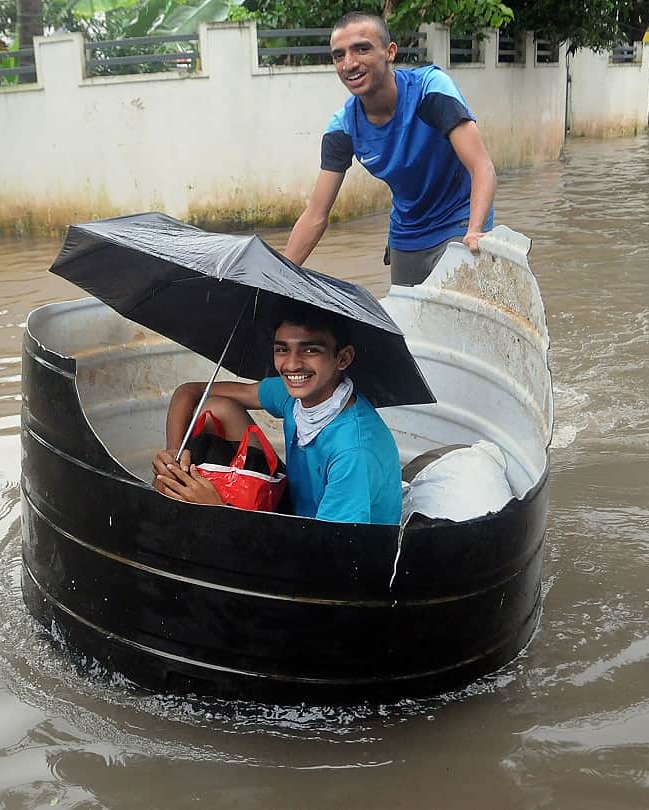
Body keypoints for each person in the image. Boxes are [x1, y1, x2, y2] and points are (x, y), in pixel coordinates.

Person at [283, 11, 496, 287]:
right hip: (407, 232)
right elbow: (316, 215)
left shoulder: (430, 91)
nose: (350, 63)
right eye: (339, 55)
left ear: (390, 52)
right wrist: (278, 277)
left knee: (462, 312)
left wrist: (476, 230)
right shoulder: (343, 128)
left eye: (362, 49)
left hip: (461, 220)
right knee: (409, 324)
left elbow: (482, 167)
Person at [151, 302, 402, 525]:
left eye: (310, 350)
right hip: (293, 506)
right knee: (213, 408)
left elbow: (331, 556)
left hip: (323, 541)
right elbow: (189, 392)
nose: (291, 365)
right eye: (282, 349)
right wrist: (174, 450)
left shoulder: (353, 451)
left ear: (343, 358)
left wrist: (218, 511)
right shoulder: (294, 393)